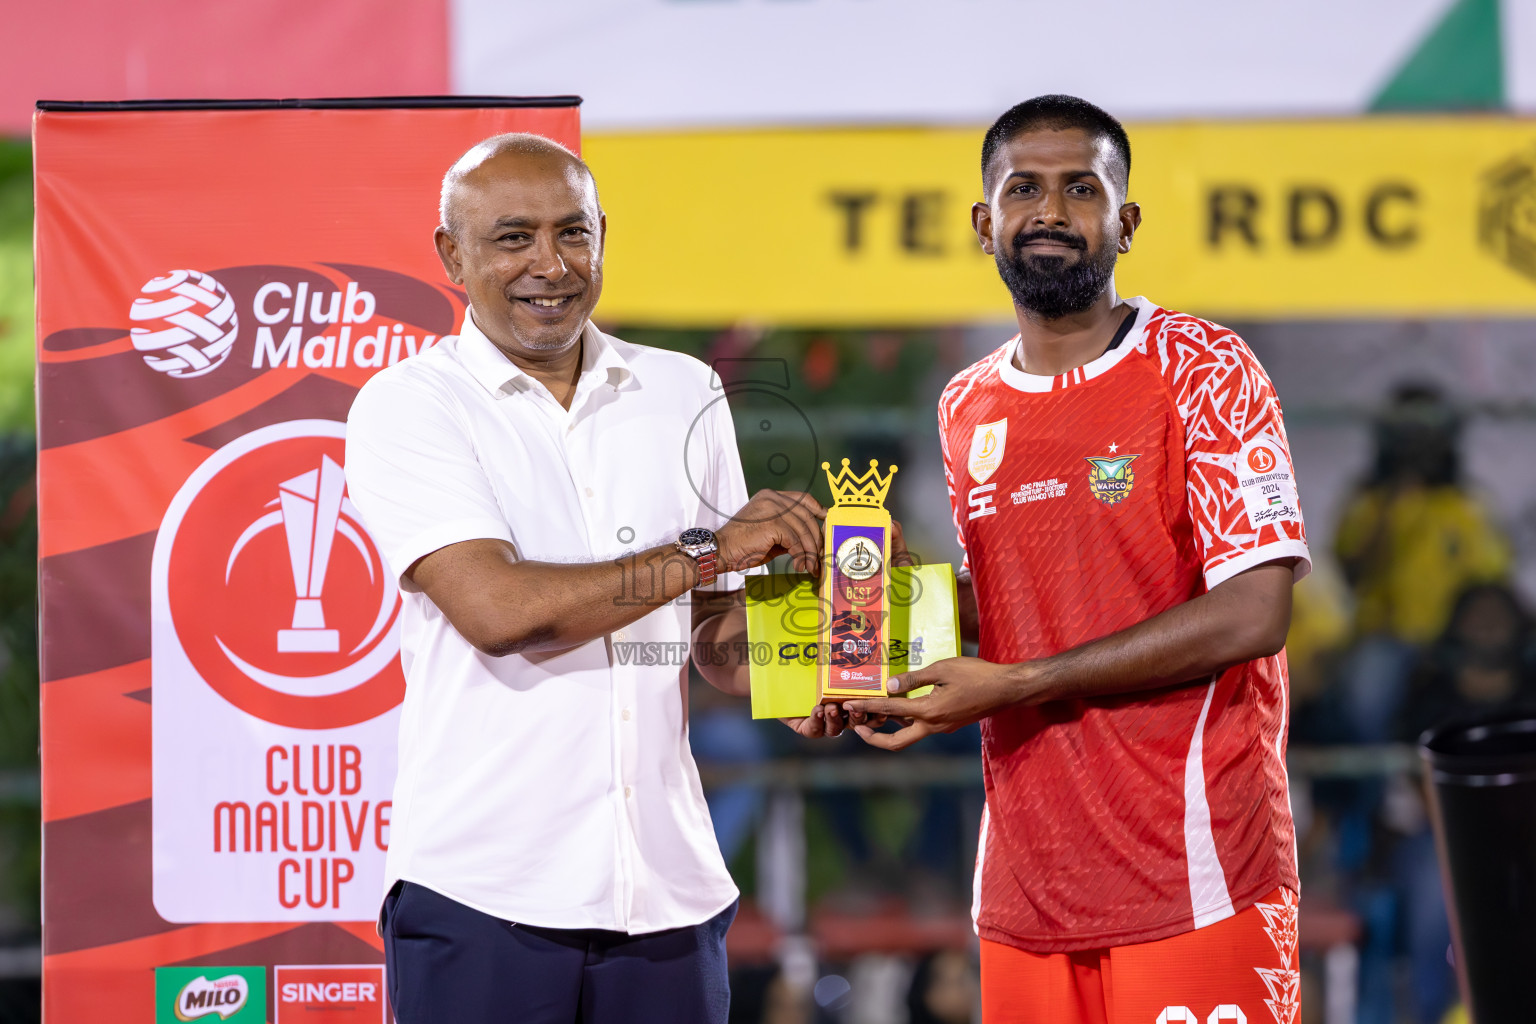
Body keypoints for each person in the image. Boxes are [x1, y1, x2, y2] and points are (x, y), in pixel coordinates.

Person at [344, 133, 843, 1024]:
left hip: (666, 892)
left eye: (572, 233)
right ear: (451, 256)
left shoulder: (683, 389)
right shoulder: (409, 403)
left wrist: (805, 680)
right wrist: (709, 552)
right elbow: (501, 611)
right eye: (512, 238)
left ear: (603, 237)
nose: (550, 263)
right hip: (483, 890)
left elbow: (716, 636)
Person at [844, 96, 1310, 1023]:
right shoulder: (966, 405)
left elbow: (1255, 610)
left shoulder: (1206, 368)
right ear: (986, 224)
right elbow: (1009, 605)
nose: (1051, 212)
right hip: (1026, 887)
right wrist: (858, 641)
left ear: (1125, 222)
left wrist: (1017, 685)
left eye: (1080, 189)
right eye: (1024, 189)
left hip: (1195, 871)